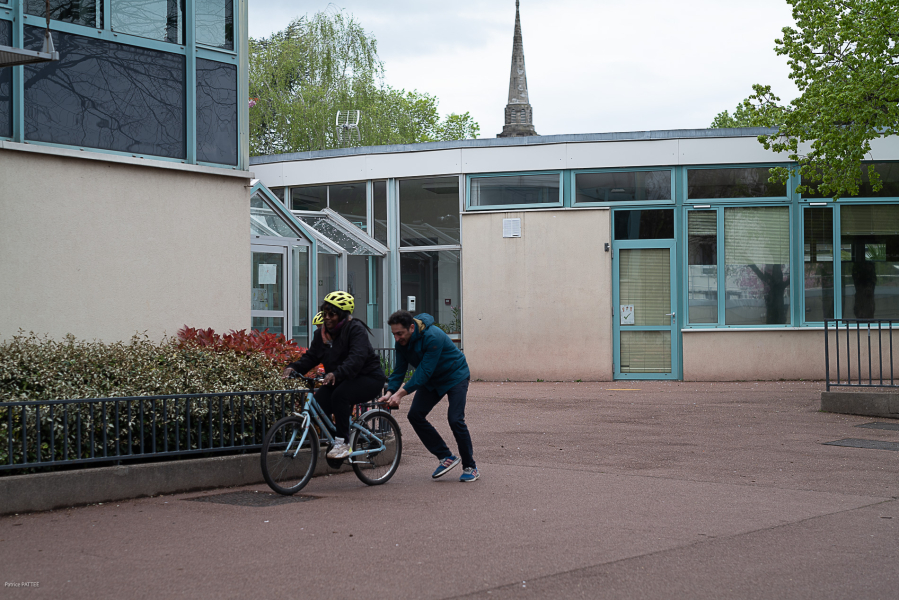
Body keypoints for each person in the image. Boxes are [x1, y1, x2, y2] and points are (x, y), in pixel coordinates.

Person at [284, 292, 386, 459]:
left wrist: (336, 373)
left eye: (332, 314)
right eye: (325, 313)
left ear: (343, 315)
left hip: (369, 378)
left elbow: (356, 358)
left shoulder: (355, 330)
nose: (327, 318)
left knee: (340, 395)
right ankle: (343, 437)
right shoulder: (321, 335)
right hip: (342, 379)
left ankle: (343, 443)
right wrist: (293, 368)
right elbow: (311, 357)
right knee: (317, 407)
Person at [379, 310, 479, 482]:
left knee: (455, 419)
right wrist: (390, 392)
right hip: (433, 380)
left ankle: (470, 466)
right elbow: (399, 370)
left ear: (411, 327)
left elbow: (424, 371)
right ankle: (446, 456)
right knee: (415, 415)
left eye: (400, 334)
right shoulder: (401, 343)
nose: (396, 338)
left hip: (455, 376)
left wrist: (401, 394)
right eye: (394, 334)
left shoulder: (433, 336)